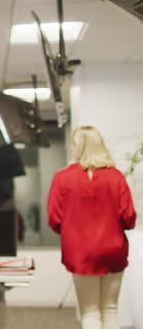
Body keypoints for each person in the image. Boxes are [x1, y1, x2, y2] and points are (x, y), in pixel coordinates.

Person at [47, 126, 136, 329]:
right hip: (113, 249)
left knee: (90, 313)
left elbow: (54, 219)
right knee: (110, 309)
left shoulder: (62, 178)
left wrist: (73, 230)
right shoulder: (116, 177)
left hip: (80, 252)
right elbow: (129, 217)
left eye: (74, 144)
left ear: (79, 146)